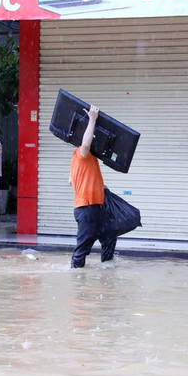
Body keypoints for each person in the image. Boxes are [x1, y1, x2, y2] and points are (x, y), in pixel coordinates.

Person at [69, 105, 117, 268]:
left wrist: (98, 186)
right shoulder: (82, 154)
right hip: (87, 208)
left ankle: (108, 267)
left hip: (94, 207)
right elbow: (86, 144)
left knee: (110, 235)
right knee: (82, 248)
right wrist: (92, 119)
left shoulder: (78, 159)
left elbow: (70, 181)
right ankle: (76, 274)